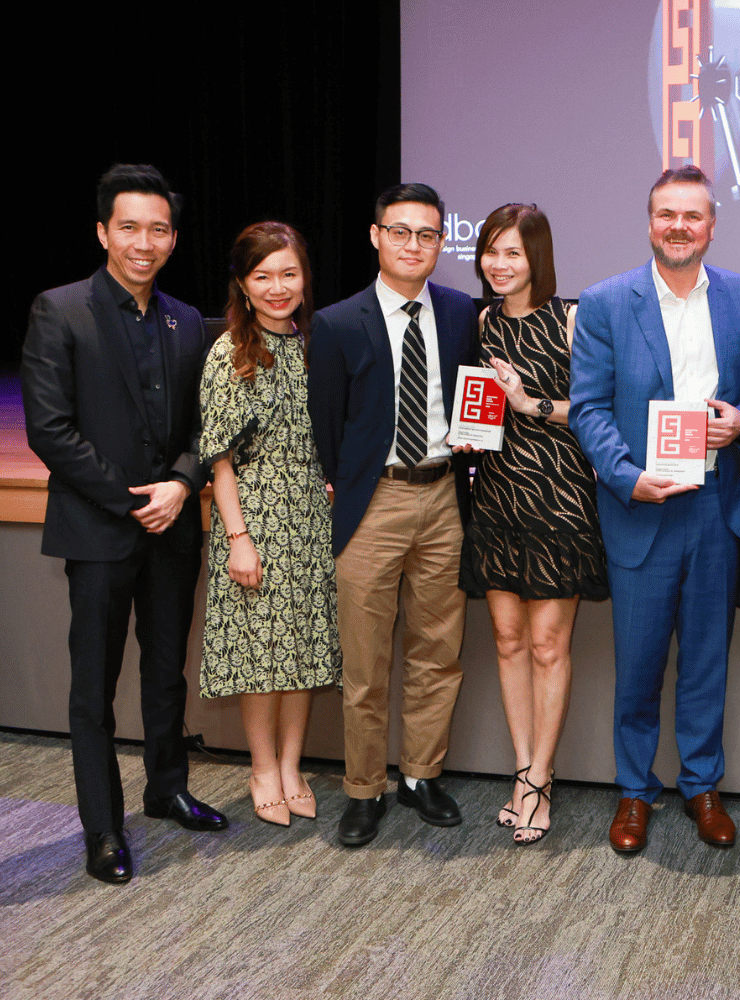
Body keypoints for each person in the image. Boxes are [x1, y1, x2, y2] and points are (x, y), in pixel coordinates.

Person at [21, 163, 228, 884]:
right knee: (95, 687)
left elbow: (210, 424)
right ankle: (102, 828)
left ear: (173, 238)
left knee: (166, 670)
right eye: (131, 227)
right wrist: (136, 497)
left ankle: (166, 788)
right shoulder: (62, 309)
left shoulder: (185, 321)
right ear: (104, 231)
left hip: (173, 527)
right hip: (100, 530)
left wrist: (182, 483)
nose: (146, 242)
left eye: (160, 229)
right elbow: (50, 430)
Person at [570, 165, 740, 853]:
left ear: (712, 224)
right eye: (666, 215)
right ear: (649, 222)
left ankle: (702, 785)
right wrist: (627, 478)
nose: (679, 226)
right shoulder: (603, 302)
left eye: (692, 215)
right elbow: (589, 408)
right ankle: (633, 791)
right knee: (641, 659)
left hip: (715, 503)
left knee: (707, 658)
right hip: (644, 506)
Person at [308, 182, 478, 847]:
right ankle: (363, 788)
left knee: (438, 651)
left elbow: (471, 398)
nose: (415, 245)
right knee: (366, 662)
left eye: (429, 234)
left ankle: (421, 775)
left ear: (442, 242)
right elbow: (326, 425)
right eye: (401, 231)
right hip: (372, 502)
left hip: (443, 498)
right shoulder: (337, 322)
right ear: (376, 236)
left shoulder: (462, 312)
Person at [461, 203, 607, 845]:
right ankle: (521, 770)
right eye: (491, 251)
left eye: (512, 253)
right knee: (508, 641)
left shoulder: (570, 320)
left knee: (549, 646)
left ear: (536, 258)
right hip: (496, 495)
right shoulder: (482, 321)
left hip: (558, 498)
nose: (499, 263)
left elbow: (603, 411)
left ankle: (543, 779)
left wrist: (531, 403)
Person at [198, 222, 341, 827]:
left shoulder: (316, 343)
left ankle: (292, 764)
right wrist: (237, 539)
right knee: (262, 654)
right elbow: (220, 458)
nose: (278, 287)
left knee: (303, 648)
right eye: (264, 276)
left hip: (310, 516)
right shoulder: (231, 349)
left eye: (289, 273)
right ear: (243, 284)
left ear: (305, 278)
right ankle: (262, 768)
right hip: (251, 516)